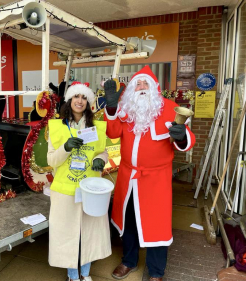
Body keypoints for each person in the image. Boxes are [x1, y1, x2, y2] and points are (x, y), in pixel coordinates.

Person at [103, 66, 195, 281]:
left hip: (156, 179)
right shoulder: (127, 110)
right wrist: (111, 107)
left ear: (154, 88)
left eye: (145, 83)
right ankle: (129, 261)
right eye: (137, 84)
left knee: (156, 224)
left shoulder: (171, 109)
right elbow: (113, 132)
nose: (141, 87)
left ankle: (156, 271)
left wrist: (181, 136)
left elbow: (187, 141)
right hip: (128, 176)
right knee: (129, 221)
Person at [47, 82, 111, 281]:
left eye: (84, 98)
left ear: (88, 102)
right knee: (68, 233)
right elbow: (51, 160)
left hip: (90, 188)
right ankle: (73, 275)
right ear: (69, 100)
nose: (80, 101)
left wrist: (102, 158)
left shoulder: (96, 127)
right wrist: (65, 147)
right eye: (76, 97)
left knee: (89, 232)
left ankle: (85, 273)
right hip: (65, 189)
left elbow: (103, 150)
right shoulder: (57, 128)